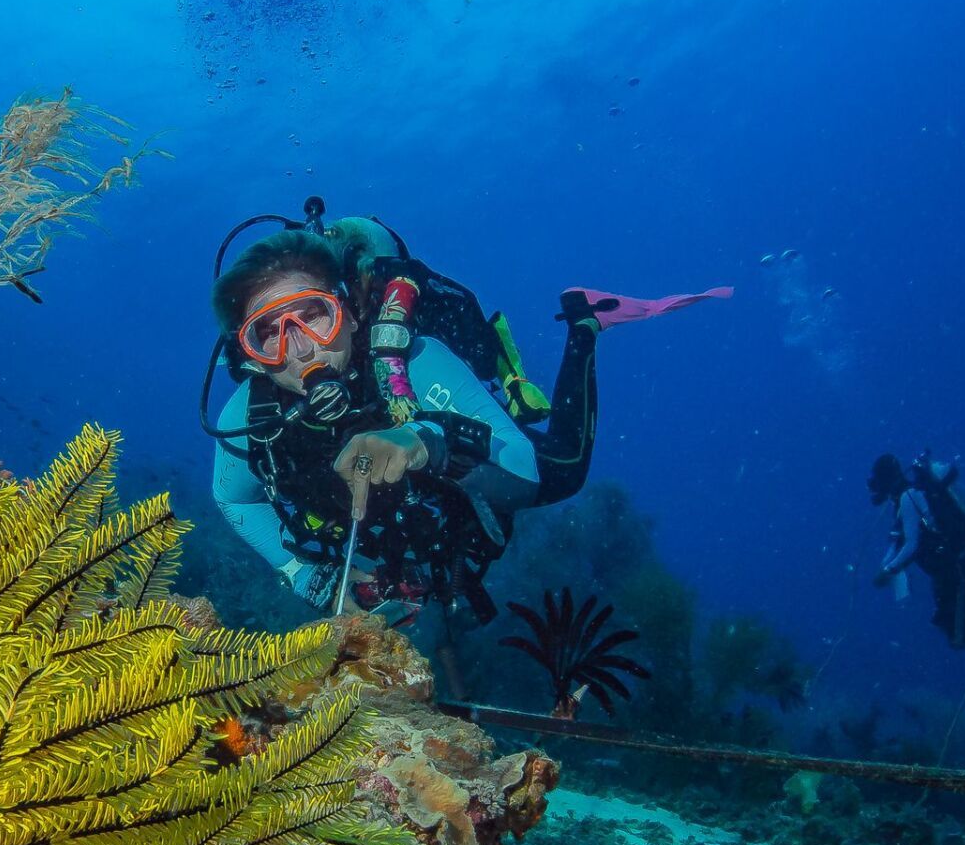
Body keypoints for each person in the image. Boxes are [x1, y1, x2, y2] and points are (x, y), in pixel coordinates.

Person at [207, 211, 727, 624]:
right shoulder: (249, 417)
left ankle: (585, 322)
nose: (298, 348)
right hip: (395, 541)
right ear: (248, 356)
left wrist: (425, 441)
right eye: (268, 332)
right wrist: (306, 575)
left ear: (347, 311)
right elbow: (231, 496)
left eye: (314, 315)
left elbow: (523, 472)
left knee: (563, 467)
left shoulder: (414, 358)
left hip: (472, 469)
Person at [868, 452, 965, 649]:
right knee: (948, 622)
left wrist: (888, 572)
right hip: (945, 574)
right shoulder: (906, 500)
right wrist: (887, 565)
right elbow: (898, 541)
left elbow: (912, 544)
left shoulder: (908, 498)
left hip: (957, 570)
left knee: (960, 639)